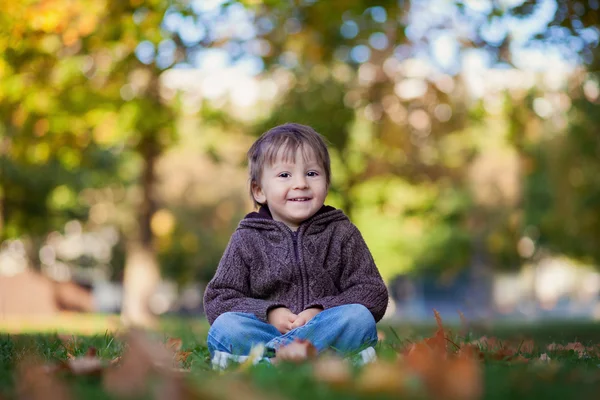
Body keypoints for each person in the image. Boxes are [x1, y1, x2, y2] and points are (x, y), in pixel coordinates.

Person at [203, 123, 389, 369]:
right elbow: (219, 298)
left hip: (323, 330)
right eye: (284, 175)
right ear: (259, 191)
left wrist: (320, 311)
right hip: (266, 332)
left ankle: (268, 361)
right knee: (226, 327)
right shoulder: (247, 238)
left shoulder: (342, 233)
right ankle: (318, 360)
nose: (301, 183)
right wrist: (268, 312)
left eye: (312, 173)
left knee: (359, 318)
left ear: (327, 183)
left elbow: (372, 290)